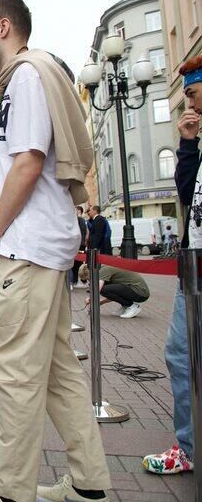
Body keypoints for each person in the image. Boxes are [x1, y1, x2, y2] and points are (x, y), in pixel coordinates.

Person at [0, 0, 112, 502]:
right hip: (43, 248)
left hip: (24, 248)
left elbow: (26, 163)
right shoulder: (26, 78)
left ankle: (12, 492)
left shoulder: (24, 76)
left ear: (4, 27)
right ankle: (89, 484)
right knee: (58, 374)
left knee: (18, 376)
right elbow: (6, 163)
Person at [142, 54, 202, 475]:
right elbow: (188, 197)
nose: (189, 104)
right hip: (192, 268)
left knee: (182, 354)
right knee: (181, 355)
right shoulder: (197, 137)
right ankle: (190, 448)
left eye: (194, 94)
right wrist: (187, 145)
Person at [78, 263, 150, 318]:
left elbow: (98, 289)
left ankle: (132, 306)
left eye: (88, 278)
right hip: (139, 292)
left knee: (103, 289)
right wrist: (100, 302)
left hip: (140, 292)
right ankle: (126, 306)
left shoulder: (103, 271)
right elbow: (115, 294)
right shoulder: (102, 270)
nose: (89, 281)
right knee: (105, 289)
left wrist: (91, 299)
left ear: (90, 273)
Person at [72, 207, 88, 288]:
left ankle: (82, 280)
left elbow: (82, 232)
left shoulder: (80, 220)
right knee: (75, 264)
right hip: (76, 244)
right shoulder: (76, 220)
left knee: (78, 263)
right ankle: (76, 280)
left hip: (79, 245)